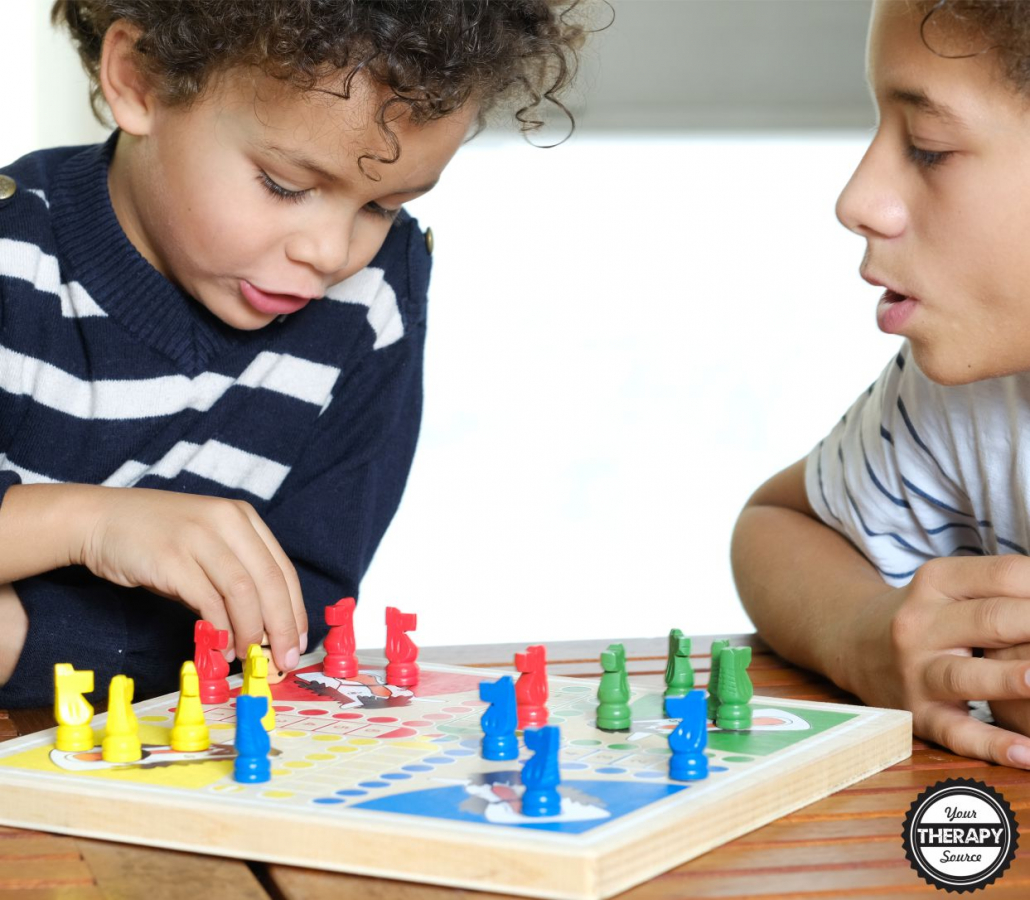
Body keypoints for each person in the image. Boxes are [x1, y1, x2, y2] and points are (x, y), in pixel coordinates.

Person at [0, 0, 586, 707]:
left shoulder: (373, 296)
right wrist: (90, 524)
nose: (330, 252)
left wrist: (21, 640)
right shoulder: (12, 261)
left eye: (383, 205)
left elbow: (292, 621)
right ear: (141, 79)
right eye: (286, 186)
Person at [732, 0, 1030, 769]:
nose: (857, 199)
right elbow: (776, 527)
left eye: (927, 147)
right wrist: (871, 634)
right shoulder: (967, 395)